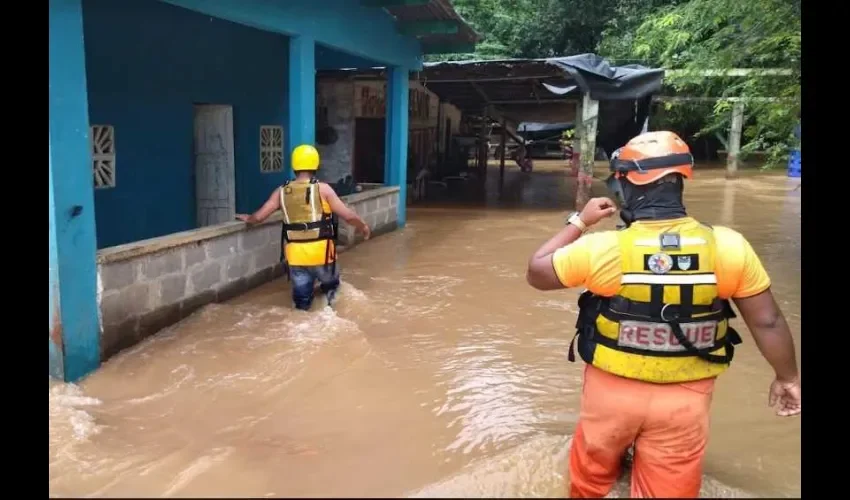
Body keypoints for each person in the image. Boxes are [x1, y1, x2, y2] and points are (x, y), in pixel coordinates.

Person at [525, 131, 801, 498]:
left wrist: (581, 221)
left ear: (625, 183)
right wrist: (788, 377)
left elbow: (537, 272)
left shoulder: (605, 248)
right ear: (683, 178)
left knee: (590, 483)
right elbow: (768, 321)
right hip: (686, 400)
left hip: (611, 395)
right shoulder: (728, 246)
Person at [236, 144, 371, 310]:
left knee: (302, 303)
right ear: (316, 165)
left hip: (296, 257)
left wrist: (248, 218)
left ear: (294, 166)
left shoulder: (281, 191)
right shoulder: (323, 189)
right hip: (322, 254)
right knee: (332, 294)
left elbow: (259, 217)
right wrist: (363, 226)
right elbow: (348, 216)